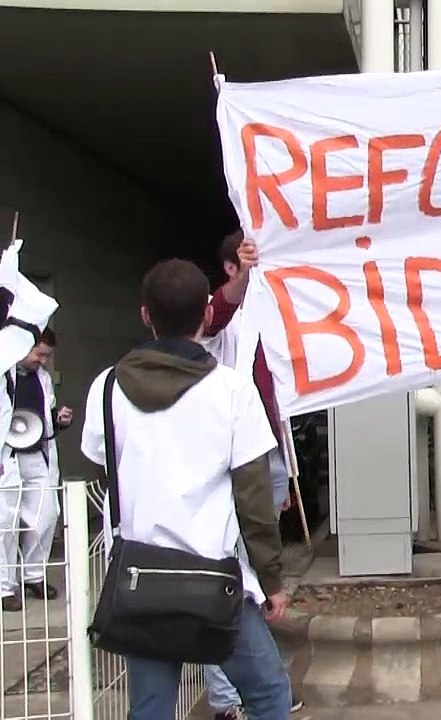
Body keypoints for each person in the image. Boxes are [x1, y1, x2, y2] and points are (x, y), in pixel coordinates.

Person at [79, 258, 291, 720]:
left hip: (140, 583)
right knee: (269, 694)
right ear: (206, 315)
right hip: (213, 585)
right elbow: (255, 503)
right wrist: (271, 580)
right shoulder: (233, 392)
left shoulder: (107, 387)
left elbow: (102, 469)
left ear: (145, 315)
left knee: (152, 710)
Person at [200, 232, 303, 717]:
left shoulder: (272, 315)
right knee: (231, 581)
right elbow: (217, 313)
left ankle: (259, 682)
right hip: (234, 459)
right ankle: (227, 700)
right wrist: (245, 275)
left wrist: (286, 470)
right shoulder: (219, 315)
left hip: (268, 457)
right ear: (230, 267)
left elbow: (279, 394)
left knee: (252, 580)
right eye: (246, 261)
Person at [0, 329, 71, 611]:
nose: (42, 361)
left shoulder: (41, 378)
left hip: (38, 452)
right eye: (38, 354)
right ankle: (5, 586)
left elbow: (43, 416)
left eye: (46, 356)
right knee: (6, 522)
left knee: (46, 515)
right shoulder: (4, 373)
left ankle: (33, 574)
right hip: (9, 455)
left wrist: (59, 420)